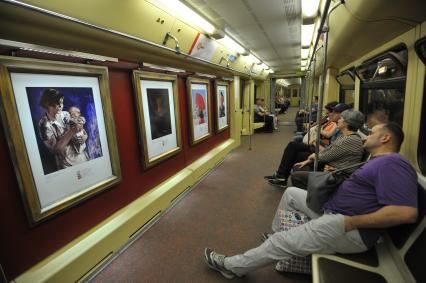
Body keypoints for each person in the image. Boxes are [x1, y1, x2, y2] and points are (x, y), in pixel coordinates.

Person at [204, 122, 418, 279]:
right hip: (333, 212)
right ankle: (279, 237)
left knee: (281, 243)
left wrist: (352, 222)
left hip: (347, 228)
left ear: (385, 138)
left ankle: (232, 267)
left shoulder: (393, 164)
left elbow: (406, 212)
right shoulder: (379, 161)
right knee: (291, 194)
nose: (365, 137)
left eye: (371, 133)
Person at [264, 103, 351, 187]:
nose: (331, 114)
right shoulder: (338, 128)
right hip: (322, 150)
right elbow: (330, 143)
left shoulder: (344, 133)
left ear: (343, 116)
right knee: (292, 145)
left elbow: (329, 152)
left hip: (323, 155)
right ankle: (281, 176)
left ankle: (281, 176)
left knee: (294, 150)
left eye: (334, 113)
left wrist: (315, 143)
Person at [289, 110, 365, 190]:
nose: (338, 120)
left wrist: (314, 156)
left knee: (296, 176)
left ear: (346, 123)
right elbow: (328, 151)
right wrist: (309, 160)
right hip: (332, 169)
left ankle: (313, 200)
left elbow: (325, 156)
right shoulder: (345, 137)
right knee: (298, 166)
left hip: (337, 176)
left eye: (341, 119)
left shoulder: (351, 140)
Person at [38, 88, 88, 171]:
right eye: (56, 104)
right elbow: (55, 150)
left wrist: (85, 137)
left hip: (82, 157)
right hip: (67, 165)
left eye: (61, 103)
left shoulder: (66, 114)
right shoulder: (44, 125)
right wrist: (71, 132)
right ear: (47, 105)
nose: (60, 106)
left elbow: (81, 129)